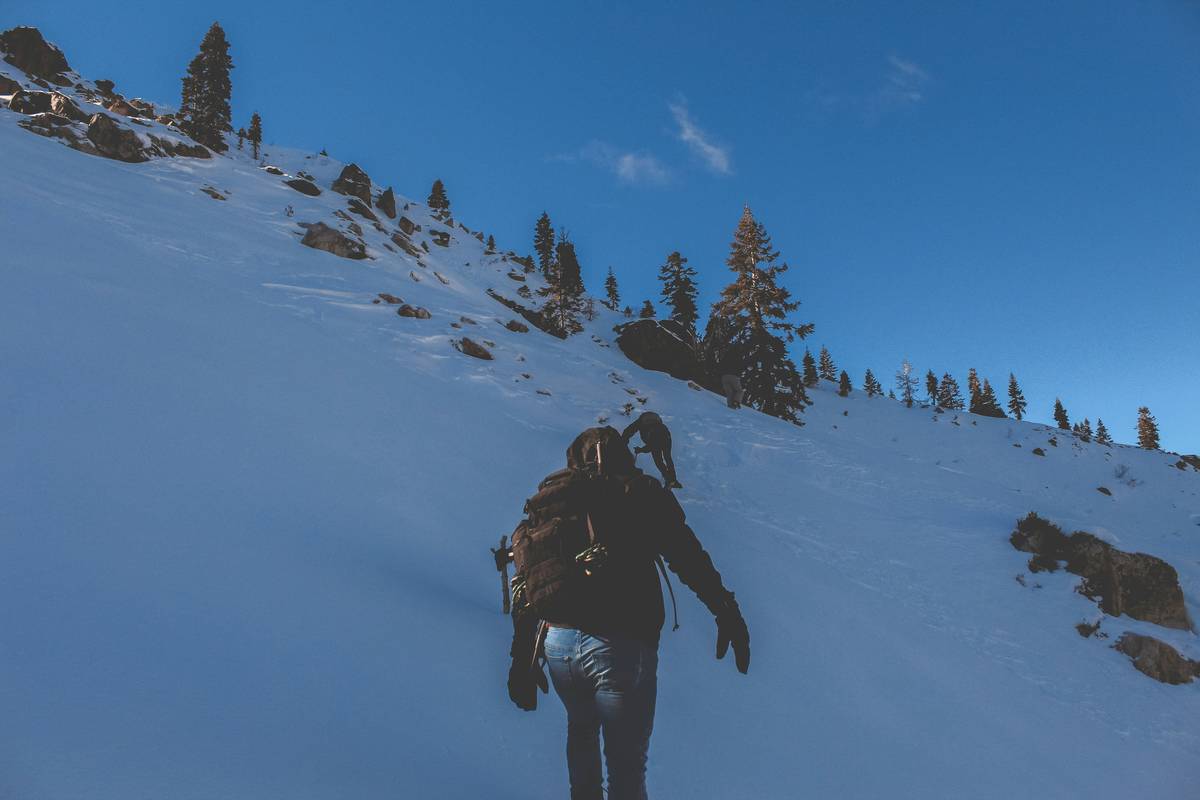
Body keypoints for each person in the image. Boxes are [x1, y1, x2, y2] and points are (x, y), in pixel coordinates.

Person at [506, 427, 750, 800]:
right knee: (626, 767)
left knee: (581, 734)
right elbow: (688, 558)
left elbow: (530, 578)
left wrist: (522, 658)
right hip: (621, 646)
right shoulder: (640, 492)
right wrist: (726, 610)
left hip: (559, 646)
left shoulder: (555, 500)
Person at [621, 411, 681, 489]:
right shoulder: (648, 425)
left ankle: (671, 480)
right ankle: (671, 480)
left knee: (659, 461)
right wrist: (624, 442)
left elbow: (652, 446)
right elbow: (629, 431)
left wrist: (641, 450)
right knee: (667, 457)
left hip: (660, 437)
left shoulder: (653, 431)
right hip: (666, 436)